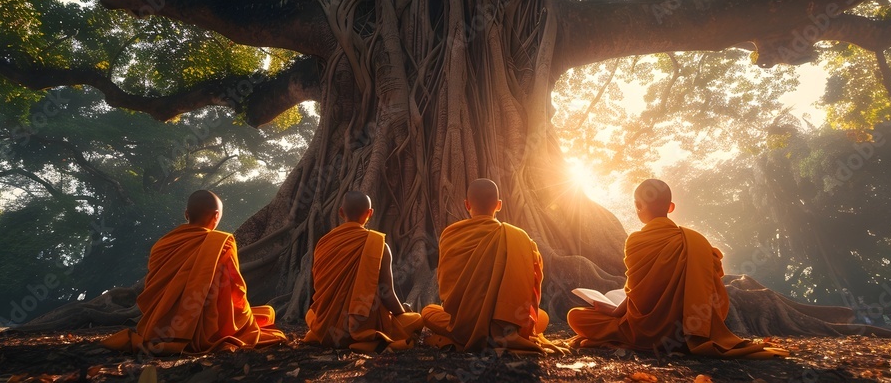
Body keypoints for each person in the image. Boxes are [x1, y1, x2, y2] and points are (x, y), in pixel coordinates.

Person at [567, 179, 787, 358]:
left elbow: (637, 294)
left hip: (643, 331)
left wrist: (614, 311)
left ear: (637, 206)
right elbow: (714, 289)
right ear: (671, 208)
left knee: (576, 316)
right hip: (688, 331)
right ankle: (685, 339)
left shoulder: (636, 241)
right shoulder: (697, 241)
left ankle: (633, 337)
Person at [102, 190, 287, 354]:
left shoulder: (162, 245)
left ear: (186, 214)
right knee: (264, 317)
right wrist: (245, 323)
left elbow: (155, 289)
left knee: (263, 314)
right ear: (216, 216)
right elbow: (234, 290)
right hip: (207, 330)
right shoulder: (221, 242)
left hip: (160, 327)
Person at [422, 178, 563, 353]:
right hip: (506, 326)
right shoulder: (520, 238)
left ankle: (463, 337)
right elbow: (529, 290)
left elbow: (446, 288)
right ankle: (505, 334)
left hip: (463, 327)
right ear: (499, 205)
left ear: (467, 205)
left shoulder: (450, 234)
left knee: (428, 312)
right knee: (541, 317)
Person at [304, 191, 424, 352]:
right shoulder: (378, 244)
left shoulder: (323, 243)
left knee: (310, 315)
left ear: (340, 212)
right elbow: (386, 292)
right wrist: (401, 313)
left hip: (326, 329)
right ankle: (366, 341)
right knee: (416, 319)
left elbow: (319, 290)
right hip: (361, 327)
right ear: (370, 213)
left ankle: (327, 334)